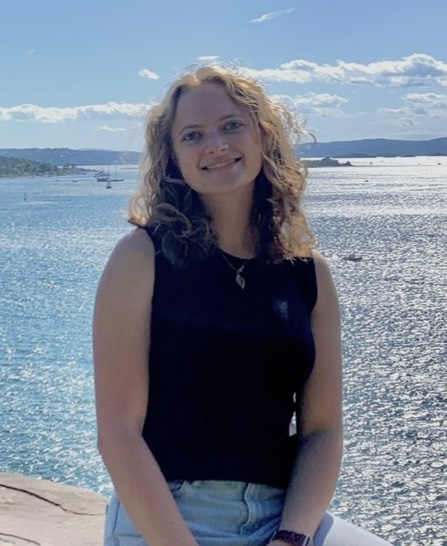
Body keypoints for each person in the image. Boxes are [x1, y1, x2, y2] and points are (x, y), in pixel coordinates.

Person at [93, 64, 392, 546]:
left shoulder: (308, 273)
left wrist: (290, 537)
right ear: (173, 156)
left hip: (283, 518)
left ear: (263, 136)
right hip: (171, 514)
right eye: (193, 135)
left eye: (231, 125)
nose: (216, 145)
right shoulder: (143, 256)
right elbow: (119, 435)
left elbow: (323, 431)